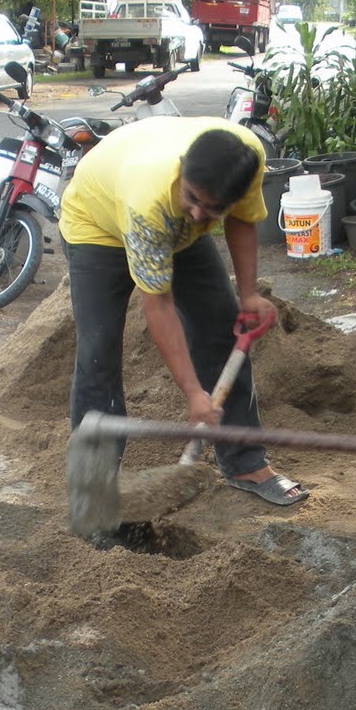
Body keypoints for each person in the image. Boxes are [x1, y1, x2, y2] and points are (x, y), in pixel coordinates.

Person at [60, 117, 307, 506]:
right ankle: (92, 486)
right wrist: (193, 393)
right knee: (99, 350)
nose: (198, 215)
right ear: (181, 168)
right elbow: (158, 306)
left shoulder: (247, 159)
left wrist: (247, 295)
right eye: (192, 198)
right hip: (96, 222)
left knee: (221, 325)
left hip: (164, 218)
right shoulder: (150, 200)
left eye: (212, 210)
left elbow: (242, 219)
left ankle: (244, 461)